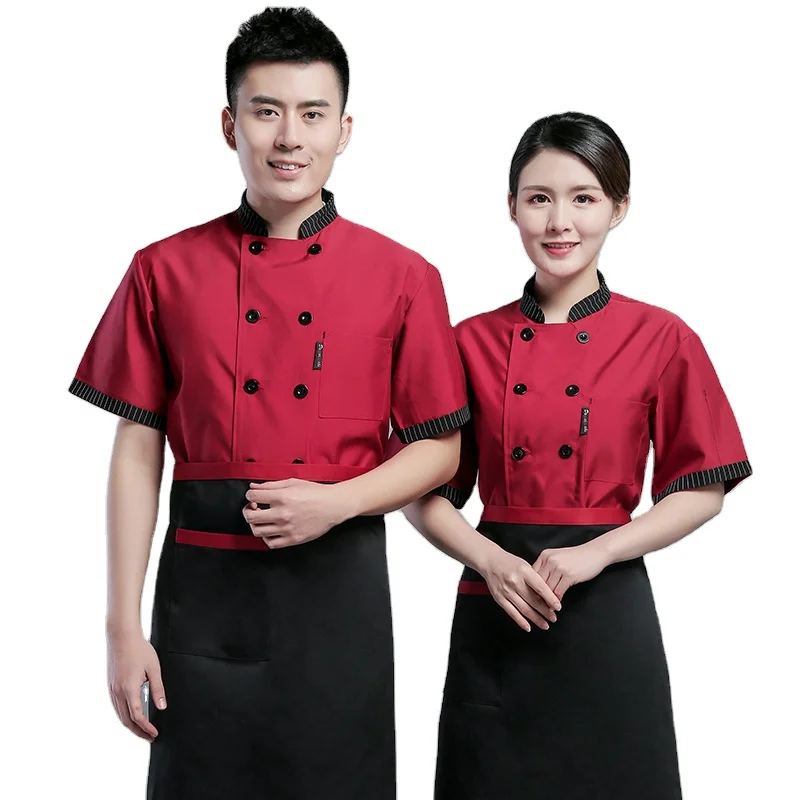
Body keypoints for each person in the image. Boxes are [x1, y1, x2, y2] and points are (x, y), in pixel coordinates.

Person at [68, 7, 469, 799]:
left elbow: (439, 448)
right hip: (203, 602)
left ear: (344, 130)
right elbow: (138, 450)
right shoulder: (162, 269)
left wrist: (338, 501)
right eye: (266, 111)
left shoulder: (403, 276)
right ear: (230, 125)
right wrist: (121, 626)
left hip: (338, 600)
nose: (290, 137)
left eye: (313, 114)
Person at [396, 111, 752, 799]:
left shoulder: (661, 337)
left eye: (583, 198)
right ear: (511, 207)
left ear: (618, 208)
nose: (560, 222)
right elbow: (420, 491)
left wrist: (599, 552)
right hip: (498, 608)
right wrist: (489, 560)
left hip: (607, 610)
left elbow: (702, 487)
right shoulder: (467, 342)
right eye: (540, 198)